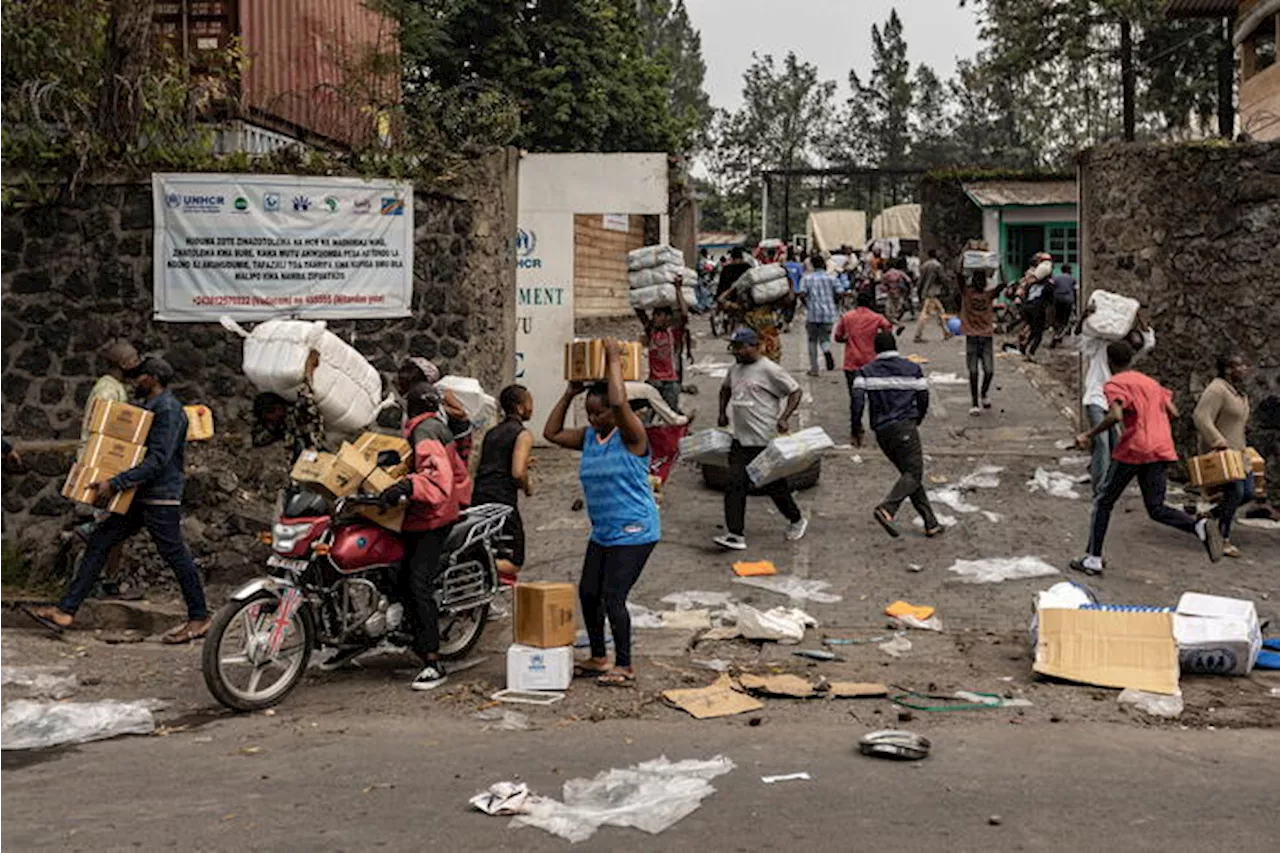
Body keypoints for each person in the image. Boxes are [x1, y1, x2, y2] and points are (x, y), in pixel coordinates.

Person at [27, 357, 210, 642]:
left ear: (152, 378)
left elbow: (158, 460)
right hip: (140, 495)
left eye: (140, 377)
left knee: (175, 555)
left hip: (159, 497)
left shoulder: (169, 411)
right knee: (100, 541)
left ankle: (200, 617)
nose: (135, 381)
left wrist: (116, 482)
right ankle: (65, 611)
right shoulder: (152, 409)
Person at [544, 340, 660, 687]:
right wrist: (569, 394)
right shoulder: (588, 436)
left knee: (613, 597)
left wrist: (613, 361)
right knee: (589, 594)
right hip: (604, 531)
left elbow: (621, 401)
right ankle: (598, 657)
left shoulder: (632, 436)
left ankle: (625, 665)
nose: (595, 418)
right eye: (590, 413)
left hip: (636, 529)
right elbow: (550, 433)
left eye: (601, 412)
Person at [1070, 341, 1224, 575]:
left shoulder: (1115, 383)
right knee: (1156, 507)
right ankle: (1197, 526)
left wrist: (1089, 434)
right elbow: (1173, 412)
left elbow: (1115, 415)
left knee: (1104, 501)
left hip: (1134, 447)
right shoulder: (1151, 383)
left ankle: (1093, 558)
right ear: (1132, 360)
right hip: (1161, 447)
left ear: (1110, 362)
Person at [375, 382, 472, 690]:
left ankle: (432, 661)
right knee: (391, 572)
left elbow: (436, 477)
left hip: (433, 516)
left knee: (418, 583)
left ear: (411, 408)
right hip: (419, 514)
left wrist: (405, 487)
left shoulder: (425, 430)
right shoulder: (427, 427)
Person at [713, 327, 806, 551]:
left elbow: (795, 391)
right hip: (740, 438)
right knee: (735, 485)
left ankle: (796, 519)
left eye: (739, 347)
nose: (735, 352)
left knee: (774, 486)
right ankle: (735, 534)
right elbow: (724, 389)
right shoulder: (735, 369)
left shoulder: (769, 369)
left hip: (762, 439)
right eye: (733, 347)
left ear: (754, 347)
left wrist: (784, 417)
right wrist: (722, 412)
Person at [851, 329, 942, 538]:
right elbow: (923, 398)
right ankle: (887, 508)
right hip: (905, 427)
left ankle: (931, 522)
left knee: (908, 474)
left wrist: (856, 428)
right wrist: (917, 419)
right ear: (895, 347)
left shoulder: (866, 371)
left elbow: (857, 401)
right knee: (914, 473)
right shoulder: (912, 368)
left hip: (882, 431)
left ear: (875, 349)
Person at [1076, 306, 1156, 496]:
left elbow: (1149, 342)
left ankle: (1107, 481)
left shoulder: (1128, 354)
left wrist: (1141, 320)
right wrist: (1083, 318)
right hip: (1096, 398)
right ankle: (1100, 489)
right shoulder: (1102, 348)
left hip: (1114, 402)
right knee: (1102, 444)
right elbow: (1080, 340)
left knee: (1115, 445)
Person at [472, 385, 536, 579]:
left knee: (490, 546)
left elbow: (490, 462)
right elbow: (517, 472)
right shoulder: (523, 434)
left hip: (480, 496)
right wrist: (527, 486)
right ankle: (474, 567)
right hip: (502, 501)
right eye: (529, 403)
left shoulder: (492, 432)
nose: (532, 408)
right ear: (519, 407)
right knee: (514, 559)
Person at [1193, 352, 1253, 558]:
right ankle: (1222, 537)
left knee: (1248, 492)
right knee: (1235, 493)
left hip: (1239, 453)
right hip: (1223, 454)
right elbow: (1201, 417)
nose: (1244, 369)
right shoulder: (1217, 390)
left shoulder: (1237, 393)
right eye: (1240, 365)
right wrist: (1217, 441)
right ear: (1228, 369)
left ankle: (1209, 516)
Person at [251, 350, 324, 463]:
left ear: (278, 408)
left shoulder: (299, 409)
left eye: (269, 415)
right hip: (301, 462)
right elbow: (257, 440)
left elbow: (306, 390)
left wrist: (310, 366)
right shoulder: (278, 425)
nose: (270, 419)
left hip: (317, 452)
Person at [961, 270, 1003, 416]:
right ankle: (974, 402)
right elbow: (959, 275)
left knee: (989, 370)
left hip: (986, 337)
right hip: (972, 336)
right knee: (973, 372)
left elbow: (1002, 285)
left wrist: (998, 266)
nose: (981, 283)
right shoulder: (967, 293)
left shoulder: (988, 295)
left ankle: (983, 393)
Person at [798, 251, 845, 376]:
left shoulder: (806, 278)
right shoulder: (832, 278)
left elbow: (801, 293)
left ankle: (814, 369)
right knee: (825, 338)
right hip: (829, 314)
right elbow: (840, 292)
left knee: (812, 340)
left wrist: (806, 303)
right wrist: (834, 302)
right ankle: (826, 350)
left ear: (812, 265)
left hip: (813, 314)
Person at [638, 304, 687, 414]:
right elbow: (639, 311)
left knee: (671, 413)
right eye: (654, 315)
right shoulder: (651, 332)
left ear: (668, 317)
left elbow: (684, 315)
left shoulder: (673, 333)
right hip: (654, 381)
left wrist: (678, 289)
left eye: (658, 315)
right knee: (649, 412)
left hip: (670, 382)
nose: (654, 317)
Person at [913, 249, 951, 342]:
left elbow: (920, 281)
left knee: (940, 312)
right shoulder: (937, 265)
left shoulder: (924, 265)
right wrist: (948, 285)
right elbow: (942, 278)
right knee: (926, 314)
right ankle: (918, 335)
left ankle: (946, 332)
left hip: (927, 292)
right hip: (933, 292)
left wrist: (919, 292)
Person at [1019, 260, 1053, 361]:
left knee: (1033, 330)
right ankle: (1031, 352)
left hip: (1027, 308)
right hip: (1038, 310)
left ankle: (1025, 345)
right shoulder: (1049, 286)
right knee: (1038, 334)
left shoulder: (1032, 285)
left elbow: (1025, 296)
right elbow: (1050, 302)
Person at [1049, 262, 1077, 347]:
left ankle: (1056, 334)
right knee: (1065, 321)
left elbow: (1051, 289)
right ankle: (1058, 336)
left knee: (1058, 319)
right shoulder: (1072, 279)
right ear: (1069, 270)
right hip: (1068, 300)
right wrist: (1075, 303)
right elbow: (1075, 291)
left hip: (1058, 300)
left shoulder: (1056, 278)